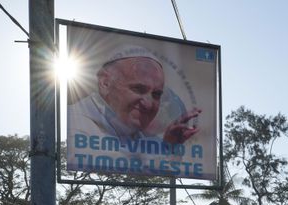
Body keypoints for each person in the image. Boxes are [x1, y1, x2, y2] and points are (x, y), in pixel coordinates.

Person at [67, 45, 201, 169]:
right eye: (138, 89)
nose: (148, 104)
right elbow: (112, 163)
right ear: (105, 83)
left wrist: (169, 146)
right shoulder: (75, 121)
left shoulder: (141, 135)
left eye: (156, 94)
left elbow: (160, 170)